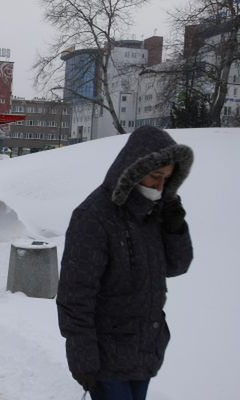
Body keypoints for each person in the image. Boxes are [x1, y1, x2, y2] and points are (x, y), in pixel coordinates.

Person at [57, 126, 194, 400]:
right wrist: (82, 357)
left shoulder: (154, 213)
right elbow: (75, 296)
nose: (160, 187)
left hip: (144, 352)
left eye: (167, 179)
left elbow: (177, 266)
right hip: (107, 357)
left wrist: (175, 228)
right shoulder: (94, 217)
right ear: (133, 171)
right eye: (155, 177)